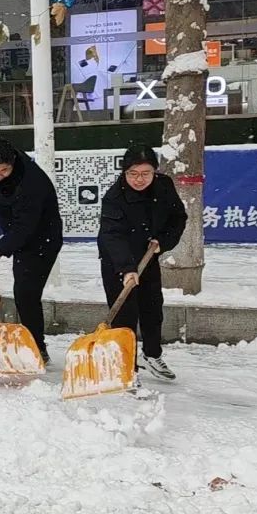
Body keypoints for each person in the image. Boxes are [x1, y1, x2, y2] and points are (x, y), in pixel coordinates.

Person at [97, 144, 186, 380]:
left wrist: (162, 241)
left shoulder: (163, 186)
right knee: (125, 315)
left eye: (145, 173)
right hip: (118, 260)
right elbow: (112, 236)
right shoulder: (115, 197)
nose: (139, 179)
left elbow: (178, 218)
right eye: (133, 174)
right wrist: (126, 269)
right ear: (124, 173)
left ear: (154, 172)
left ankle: (152, 355)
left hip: (149, 255)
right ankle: (126, 365)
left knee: (152, 308)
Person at [0, 137, 63, 364]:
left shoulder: (32, 184)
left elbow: (26, 228)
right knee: (22, 292)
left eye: (2, 171)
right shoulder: (3, 157)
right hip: (19, 235)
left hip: (41, 240)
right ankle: (32, 342)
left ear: (12, 162)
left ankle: (37, 347)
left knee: (26, 294)